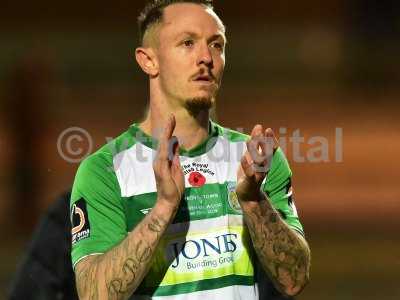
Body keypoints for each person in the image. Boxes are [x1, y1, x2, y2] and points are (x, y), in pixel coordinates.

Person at [70, 1, 311, 299]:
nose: (206, 58)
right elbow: (94, 294)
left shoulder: (253, 161)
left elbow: (294, 279)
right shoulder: (104, 171)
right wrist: (163, 208)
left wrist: (252, 201)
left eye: (217, 45)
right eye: (187, 43)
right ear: (149, 61)